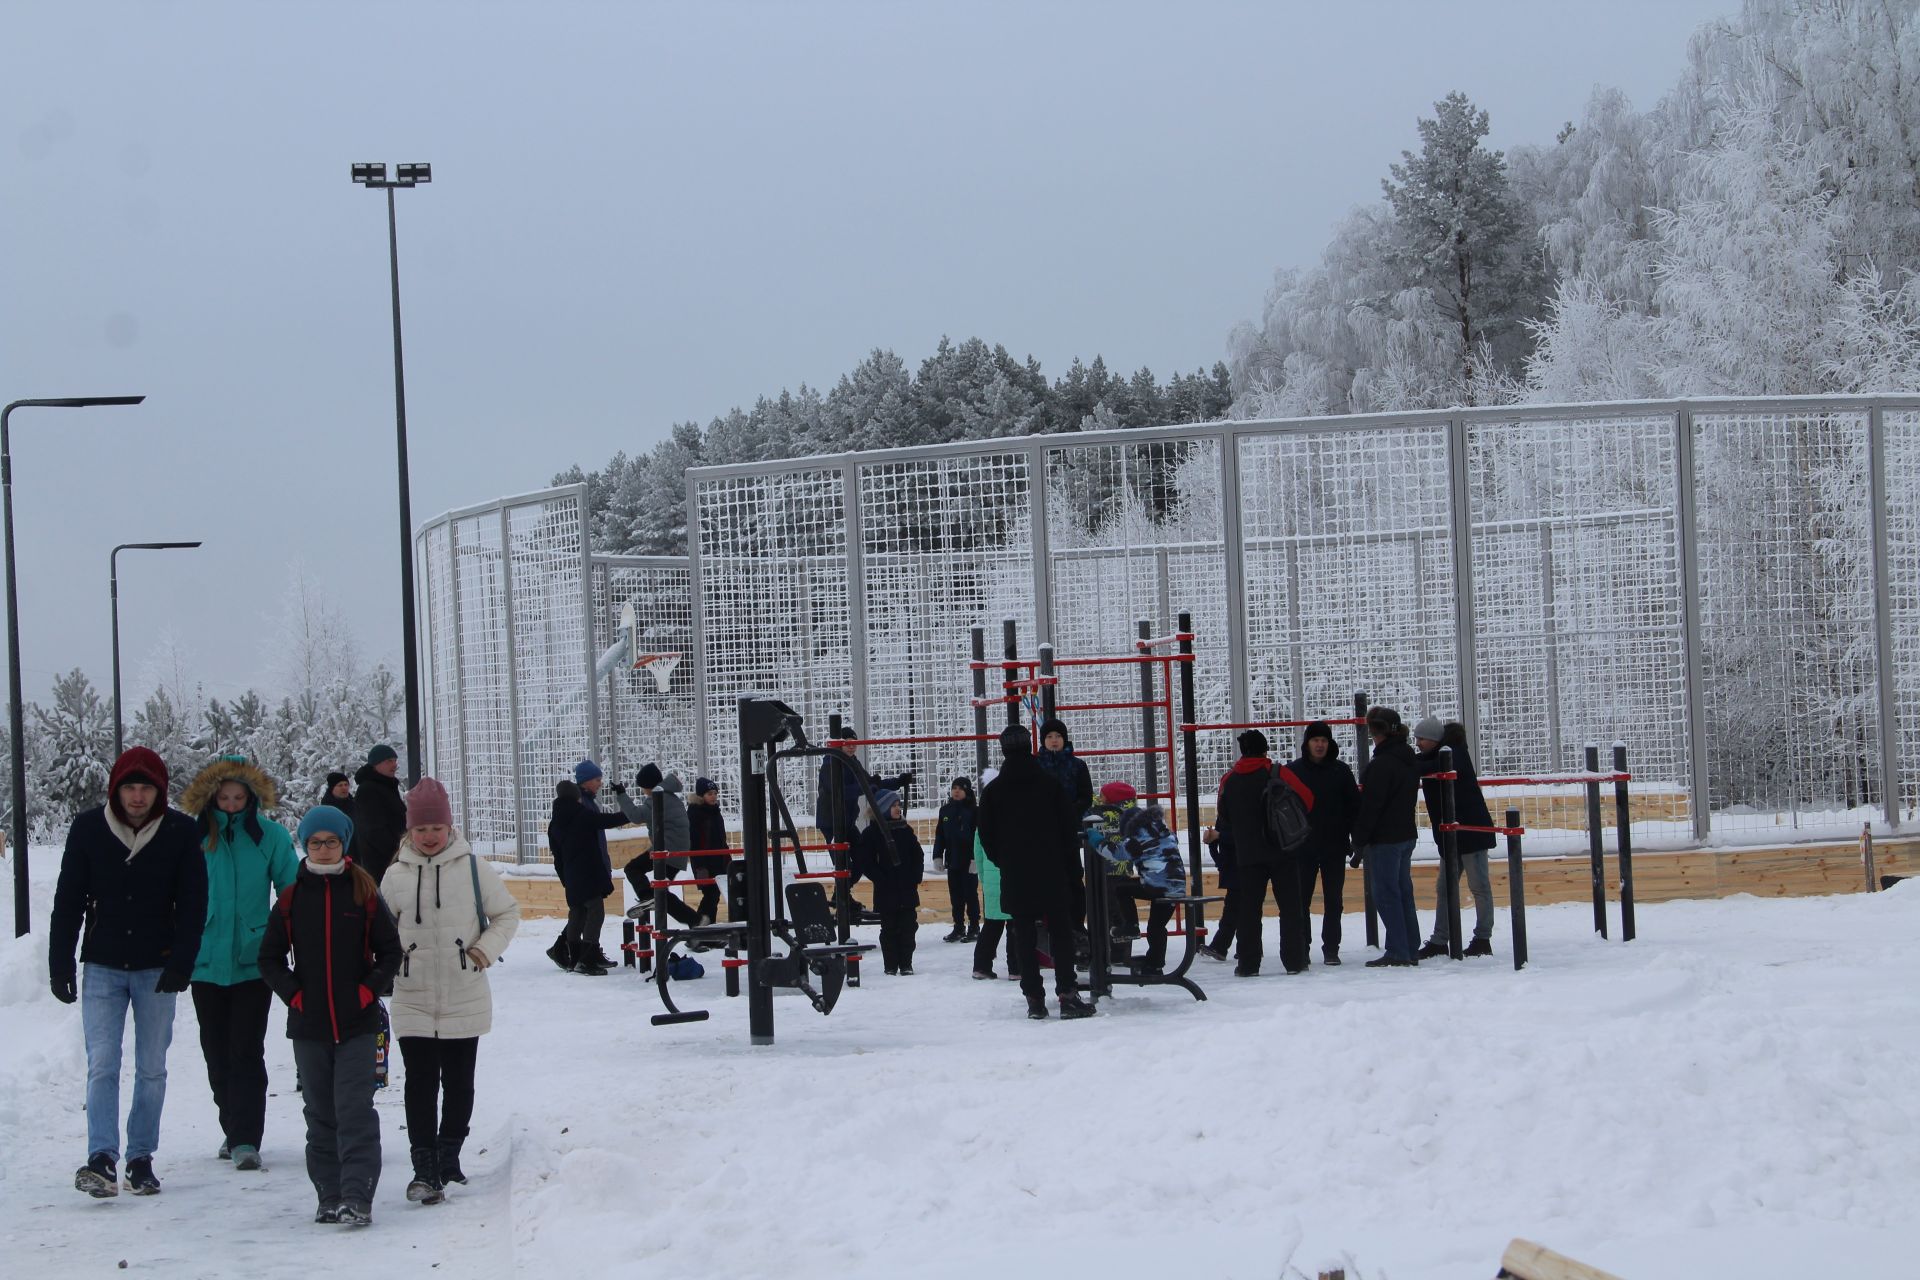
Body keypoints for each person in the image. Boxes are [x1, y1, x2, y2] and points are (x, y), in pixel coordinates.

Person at [49, 747, 208, 1198]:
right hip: (102, 964)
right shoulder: (88, 828)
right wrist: (59, 961)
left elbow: (195, 903)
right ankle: (101, 1157)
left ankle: (141, 1157)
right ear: (115, 790)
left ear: (159, 792)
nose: (137, 797)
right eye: (130, 788)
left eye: (146, 789)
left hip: (156, 966)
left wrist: (182, 961)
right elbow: (69, 899)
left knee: (152, 1067)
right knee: (102, 1064)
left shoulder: (180, 831)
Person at [379, 777, 521, 1205]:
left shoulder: (473, 869)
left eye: (435, 828)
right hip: (413, 993)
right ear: (409, 831)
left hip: (464, 990)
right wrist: (389, 963)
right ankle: (424, 1167)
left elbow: (507, 914)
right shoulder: (395, 875)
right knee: (420, 1082)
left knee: (459, 1083)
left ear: (449, 827)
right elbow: (378, 930)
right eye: (420, 830)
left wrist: (483, 951)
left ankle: (449, 1154)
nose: (428, 836)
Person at [259, 805, 403, 1226]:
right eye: (316, 842)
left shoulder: (363, 892)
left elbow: (391, 952)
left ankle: (358, 1195)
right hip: (310, 1028)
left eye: (332, 842)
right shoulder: (290, 898)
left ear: (344, 843)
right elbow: (268, 958)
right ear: (305, 846)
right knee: (320, 1113)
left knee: (354, 1109)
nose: (324, 849)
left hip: (358, 1024)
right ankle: (329, 1193)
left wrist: (366, 990)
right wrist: (295, 996)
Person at [179, 755, 299, 1172]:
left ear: (251, 798)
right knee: (216, 1051)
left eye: (239, 796)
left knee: (246, 1050)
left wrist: (289, 939)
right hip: (205, 960)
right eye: (224, 796)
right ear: (211, 798)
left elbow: (290, 892)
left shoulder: (269, 836)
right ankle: (231, 1127)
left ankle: (247, 1137)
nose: (231, 803)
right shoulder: (190, 838)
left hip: (253, 960)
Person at [978, 725, 1093, 1020]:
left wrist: (1004, 860)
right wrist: (1065, 861)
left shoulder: (993, 792)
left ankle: (1034, 999)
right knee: (1060, 932)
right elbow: (1068, 828)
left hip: (1016, 872)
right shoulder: (1049, 784)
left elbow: (987, 835)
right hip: (1052, 869)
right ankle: (1067, 994)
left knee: (1023, 934)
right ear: (1030, 745)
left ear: (1003, 750)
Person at [1214, 730, 1315, 976]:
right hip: (1282, 850)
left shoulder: (1230, 779)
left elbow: (1223, 815)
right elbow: (1308, 799)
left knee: (1249, 910)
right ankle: (1295, 960)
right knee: (1290, 907)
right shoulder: (1279, 773)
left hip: (1247, 854)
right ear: (1264, 749)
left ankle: (1248, 964)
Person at [1413, 717, 1498, 960]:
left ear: (1435, 739)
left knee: (1479, 886)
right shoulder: (1440, 755)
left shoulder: (1452, 754)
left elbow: (1427, 766)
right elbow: (1423, 764)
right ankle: (1441, 939)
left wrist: (1404, 764)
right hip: (1453, 833)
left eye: (1422, 739)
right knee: (1446, 887)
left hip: (1469, 831)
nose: (1418, 743)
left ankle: (1482, 937)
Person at [813, 727, 912, 910]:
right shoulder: (831, 764)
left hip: (847, 821)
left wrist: (897, 782)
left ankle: (841, 894)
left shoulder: (852, 762)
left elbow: (871, 783)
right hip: (832, 822)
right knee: (843, 862)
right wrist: (865, 786)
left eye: (854, 744)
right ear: (839, 744)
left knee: (862, 856)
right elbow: (839, 791)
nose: (852, 748)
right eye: (847, 744)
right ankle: (842, 896)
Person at [1352, 707, 1422, 968]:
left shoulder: (1381, 765)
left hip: (1385, 838)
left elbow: (1372, 807)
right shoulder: (1407, 758)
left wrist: (1358, 839)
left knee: (1386, 894)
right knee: (1403, 892)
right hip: (1406, 833)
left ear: (1374, 731)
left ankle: (1398, 950)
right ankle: (1409, 947)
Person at [1290, 722, 1362, 966]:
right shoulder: (1294, 772)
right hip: (1303, 848)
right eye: (1315, 740)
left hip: (1334, 846)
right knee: (1302, 901)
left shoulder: (1341, 771)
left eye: (1324, 740)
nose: (1320, 744)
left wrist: (1356, 840)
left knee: (1334, 900)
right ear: (1307, 743)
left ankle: (1331, 948)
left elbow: (1354, 808)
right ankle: (1303, 946)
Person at [547, 761, 627, 975]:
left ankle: (575, 955)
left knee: (579, 912)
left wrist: (564, 873)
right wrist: (634, 812)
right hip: (587, 870)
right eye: (597, 780)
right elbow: (604, 821)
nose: (600, 783)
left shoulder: (558, 818)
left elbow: (556, 850)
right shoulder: (581, 812)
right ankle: (586, 956)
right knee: (594, 911)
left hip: (573, 872)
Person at [618, 765, 704, 928]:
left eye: (643, 788)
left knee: (632, 869)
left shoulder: (658, 798)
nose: (644, 792)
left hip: (667, 850)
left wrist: (621, 795)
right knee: (661, 894)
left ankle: (646, 897)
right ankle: (697, 923)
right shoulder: (670, 795)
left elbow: (636, 816)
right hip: (679, 851)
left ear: (648, 786)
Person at [856, 788, 925, 975]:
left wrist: (915, 877)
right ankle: (890, 965)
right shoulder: (872, 833)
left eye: (898, 805)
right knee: (889, 929)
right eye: (893, 805)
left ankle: (906, 964)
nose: (898, 808)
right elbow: (865, 861)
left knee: (909, 927)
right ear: (883, 809)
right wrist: (881, 878)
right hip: (886, 891)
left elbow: (917, 854)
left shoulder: (905, 829)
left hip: (907, 889)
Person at [969, 769, 1018, 981]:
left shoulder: (984, 820)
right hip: (1013, 875)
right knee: (1016, 925)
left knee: (991, 925)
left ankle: (981, 966)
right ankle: (1017, 968)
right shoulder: (1015, 816)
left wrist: (982, 874)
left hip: (990, 878)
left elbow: (978, 852)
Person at [931, 777, 980, 942]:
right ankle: (958, 927)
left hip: (969, 860)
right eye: (954, 788)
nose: (956, 791)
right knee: (956, 895)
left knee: (970, 894)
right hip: (953, 860)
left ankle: (974, 926)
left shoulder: (974, 811)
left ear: (967, 791)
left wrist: (976, 859)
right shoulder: (945, 811)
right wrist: (937, 855)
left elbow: (979, 836)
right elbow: (940, 835)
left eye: (960, 788)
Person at [684, 777, 730, 948]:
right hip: (705, 862)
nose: (714, 797)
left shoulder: (714, 811)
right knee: (710, 897)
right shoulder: (696, 814)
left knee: (713, 897)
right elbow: (695, 843)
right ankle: (701, 932)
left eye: (715, 793)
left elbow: (720, 839)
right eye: (710, 794)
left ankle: (703, 932)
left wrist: (726, 858)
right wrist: (700, 866)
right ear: (701, 795)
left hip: (718, 860)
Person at [352, 744, 407, 883]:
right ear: (376, 764)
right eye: (389, 761)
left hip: (394, 861)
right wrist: (398, 852)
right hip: (382, 865)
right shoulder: (368, 790)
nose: (394, 765)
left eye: (395, 760)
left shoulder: (386, 786)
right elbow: (374, 831)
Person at [544, 780, 581, 971]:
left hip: (568, 869)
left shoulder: (558, 818)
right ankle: (561, 948)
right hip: (572, 870)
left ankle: (561, 948)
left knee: (581, 911)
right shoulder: (567, 816)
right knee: (582, 911)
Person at [319, 771, 358, 865]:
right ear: (332, 788)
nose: (344, 787)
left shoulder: (354, 804)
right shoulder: (326, 808)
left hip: (358, 854)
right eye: (340, 785)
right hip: (336, 856)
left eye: (346, 784)